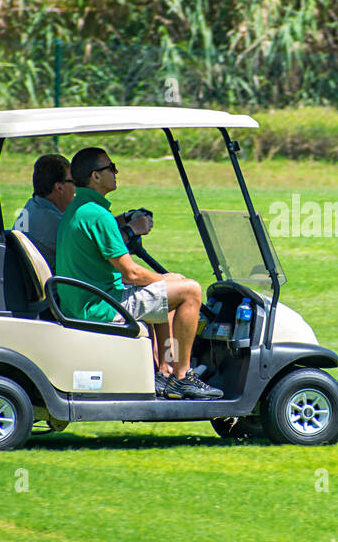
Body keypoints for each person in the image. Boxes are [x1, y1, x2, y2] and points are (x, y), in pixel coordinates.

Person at [55, 146, 222, 400]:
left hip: (88, 300)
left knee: (167, 291)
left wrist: (164, 282)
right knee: (189, 290)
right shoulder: (97, 216)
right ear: (95, 176)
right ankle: (182, 377)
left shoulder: (80, 208)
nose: (116, 171)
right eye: (110, 167)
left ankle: (164, 371)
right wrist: (166, 280)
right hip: (102, 306)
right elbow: (130, 273)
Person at [16, 154, 75, 270]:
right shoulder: (55, 224)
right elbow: (91, 256)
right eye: (73, 182)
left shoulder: (31, 207)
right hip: (59, 285)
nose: (76, 188)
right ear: (59, 187)